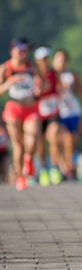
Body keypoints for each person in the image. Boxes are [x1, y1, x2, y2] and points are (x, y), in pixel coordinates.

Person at [0, 37, 44, 191]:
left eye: (26, 51)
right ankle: (21, 177)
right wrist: (8, 83)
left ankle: (29, 157)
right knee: (18, 145)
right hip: (14, 109)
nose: (24, 54)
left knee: (32, 141)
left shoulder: (32, 67)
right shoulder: (5, 68)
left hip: (30, 108)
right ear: (12, 50)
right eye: (21, 50)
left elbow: (44, 83)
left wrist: (39, 88)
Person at [52, 49, 82, 180]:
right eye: (58, 59)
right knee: (57, 140)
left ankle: (70, 168)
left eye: (63, 60)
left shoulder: (72, 75)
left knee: (71, 142)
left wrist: (73, 87)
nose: (61, 62)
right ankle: (59, 166)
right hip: (56, 112)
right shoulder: (49, 75)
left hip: (72, 112)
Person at [34, 46, 63, 186]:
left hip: (53, 111)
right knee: (40, 143)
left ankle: (54, 168)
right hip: (39, 113)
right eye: (42, 59)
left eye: (47, 58)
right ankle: (43, 169)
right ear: (37, 60)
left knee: (54, 137)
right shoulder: (33, 74)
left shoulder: (54, 73)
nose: (45, 61)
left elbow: (59, 88)